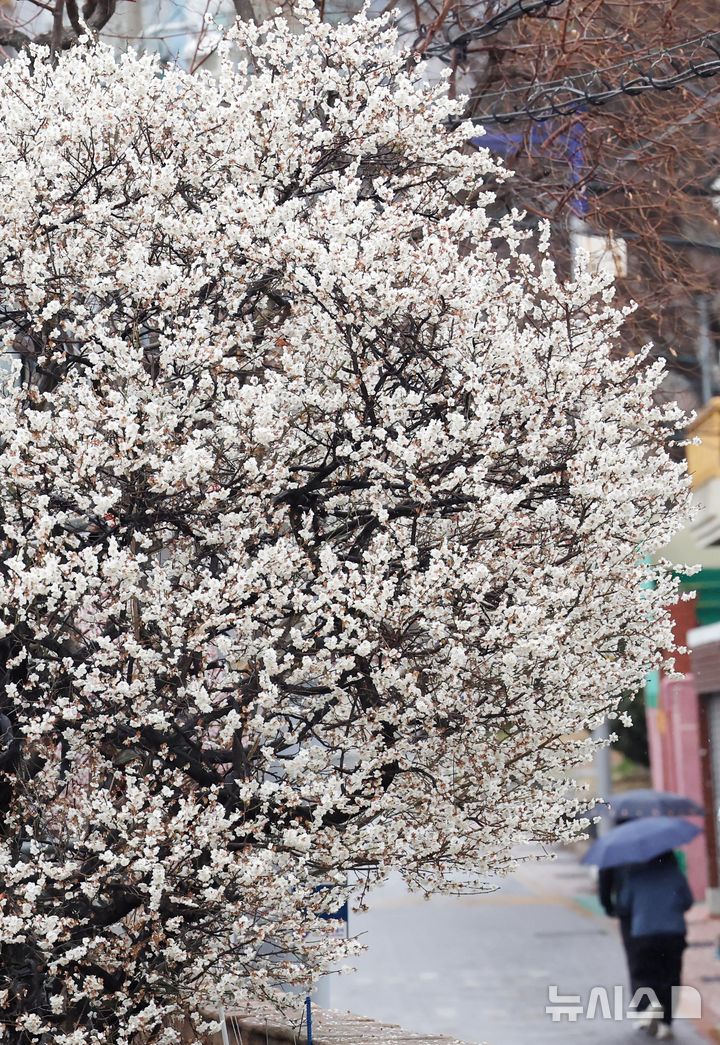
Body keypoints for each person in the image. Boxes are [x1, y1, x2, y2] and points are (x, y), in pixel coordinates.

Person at [619, 850, 694, 1039]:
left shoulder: (635, 875)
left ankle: (650, 1006)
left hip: (644, 934)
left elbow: (625, 904)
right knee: (671, 977)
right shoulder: (675, 875)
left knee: (646, 974)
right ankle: (666, 1023)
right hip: (673, 934)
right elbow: (687, 902)